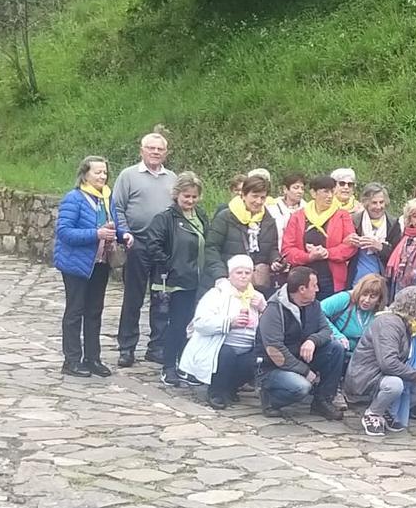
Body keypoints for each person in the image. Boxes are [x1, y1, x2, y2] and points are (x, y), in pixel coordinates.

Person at [54, 155, 127, 378]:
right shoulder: (74, 199)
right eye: (97, 172)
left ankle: (93, 358)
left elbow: (112, 226)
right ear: (85, 174)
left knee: (95, 311)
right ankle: (72, 360)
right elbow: (64, 232)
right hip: (76, 264)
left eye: (105, 172)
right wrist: (95, 234)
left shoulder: (106, 197)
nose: (102, 176)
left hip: (100, 263)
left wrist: (124, 236)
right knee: (75, 311)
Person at [343, 286, 416, 436]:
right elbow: (388, 363)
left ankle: (387, 410)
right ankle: (373, 414)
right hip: (367, 377)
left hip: (383, 375)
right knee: (394, 385)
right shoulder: (388, 324)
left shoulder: (409, 324)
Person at [113, 132, 176, 368]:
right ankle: (127, 347)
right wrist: (125, 233)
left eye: (160, 149)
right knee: (133, 298)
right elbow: (117, 207)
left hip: (162, 246)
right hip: (137, 242)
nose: (156, 152)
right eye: (151, 148)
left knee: (162, 298)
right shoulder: (128, 176)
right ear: (141, 150)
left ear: (166, 153)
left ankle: (156, 347)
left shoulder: (172, 179)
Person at [143, 171, 211, 387]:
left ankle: (185, 365)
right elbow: (152, 245)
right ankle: (168, 366)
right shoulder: (165, 218)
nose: (190, 201)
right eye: (186, 196)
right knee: (176, 324)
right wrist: (171, 266)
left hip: (197, 280)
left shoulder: (201, 216)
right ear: (176, 195)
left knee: (191, 325)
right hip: (176, 282)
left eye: (194, 196)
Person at [256, 267, 347, 419]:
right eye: (314, 285)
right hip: (271, 367)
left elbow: (326, 331)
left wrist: (312, 340)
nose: (318, 289)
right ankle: (270, 399)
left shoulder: (314, 305)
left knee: (336, 348)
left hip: (301, 357)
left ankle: (322, 400)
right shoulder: (274, 310)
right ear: (302, 289)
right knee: (301, 387)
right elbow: (275, 351)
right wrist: (305, 372)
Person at [178, 255, 267, 409]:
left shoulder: (257, 297)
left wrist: (264, 309)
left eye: (247, 273)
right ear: (230, 274)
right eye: (239, 273)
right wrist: (229, 322)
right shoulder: (216, 294)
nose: (243, 276)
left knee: (258, 358)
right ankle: (216, 392)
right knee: (227, 355)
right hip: (219, 345)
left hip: (247, 346)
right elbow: (200, 323)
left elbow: (271, 324)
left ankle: (231, 388)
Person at [281, 175, 358, 300]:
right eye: (325, 191)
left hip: (331, 278)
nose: (330, 196)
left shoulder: (342, 215)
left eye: (332, 191)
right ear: (313, 193)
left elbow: (350, 246)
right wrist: (308, 257)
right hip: (302, 279)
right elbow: (287, 249)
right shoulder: (298, 216)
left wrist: (327, 253)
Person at [206, 175, 280, 294]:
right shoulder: (225, 217)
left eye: (263, 197)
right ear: (243, 195)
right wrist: (220, 276)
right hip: (226, 282)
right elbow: (211, 248)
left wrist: (275, 260)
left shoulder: (268, 220)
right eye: (254, 196)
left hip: (256, 286)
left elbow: (272, 248)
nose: (258, 201)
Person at [347, 182, 402, 287]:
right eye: (374, 203)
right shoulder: (354, 221)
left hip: (382, 279)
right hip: (356, 277)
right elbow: (343, 248)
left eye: (381, 202)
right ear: (366, 203)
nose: (378, 207)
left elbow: (397, 255)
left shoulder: (393, 224)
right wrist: (349, 242)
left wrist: (380, 247)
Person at [321, 274, 388, 351]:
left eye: (372, 297)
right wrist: (337, 335)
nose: (366, 300)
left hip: (361, 355)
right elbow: (318, 311)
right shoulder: (345, 298)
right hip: (337, 349)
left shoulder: (383, 313)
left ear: (379, 300)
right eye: (364, 294)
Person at [268, 171, 306, 244]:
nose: (300, 191)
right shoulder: (272, 207)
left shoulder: (307, 209)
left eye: (302, 188)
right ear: (285, 189)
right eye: (296, 188)